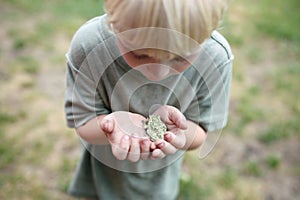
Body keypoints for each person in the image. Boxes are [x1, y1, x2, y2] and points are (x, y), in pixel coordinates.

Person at [64, 0, 233, 199]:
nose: (158, 73)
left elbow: (201, 132)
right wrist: (112, 127)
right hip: (102, 176)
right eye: (139, 55)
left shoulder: (215, 58)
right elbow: (83, 123)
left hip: (159, 183)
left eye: (180, 58)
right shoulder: (89, 46)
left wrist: (180, 133)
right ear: (113, 21)